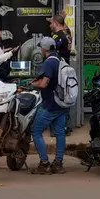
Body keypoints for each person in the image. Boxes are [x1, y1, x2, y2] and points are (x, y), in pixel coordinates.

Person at [30, 37, 68, 174]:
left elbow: (44, 84)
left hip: (51, 104)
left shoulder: (48, 63)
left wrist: (31, 84)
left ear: (44, 49)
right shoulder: (60, 60)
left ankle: (44, 163)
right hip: (62, 103)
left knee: (36, 131)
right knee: (60, 133)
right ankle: (58, 163)